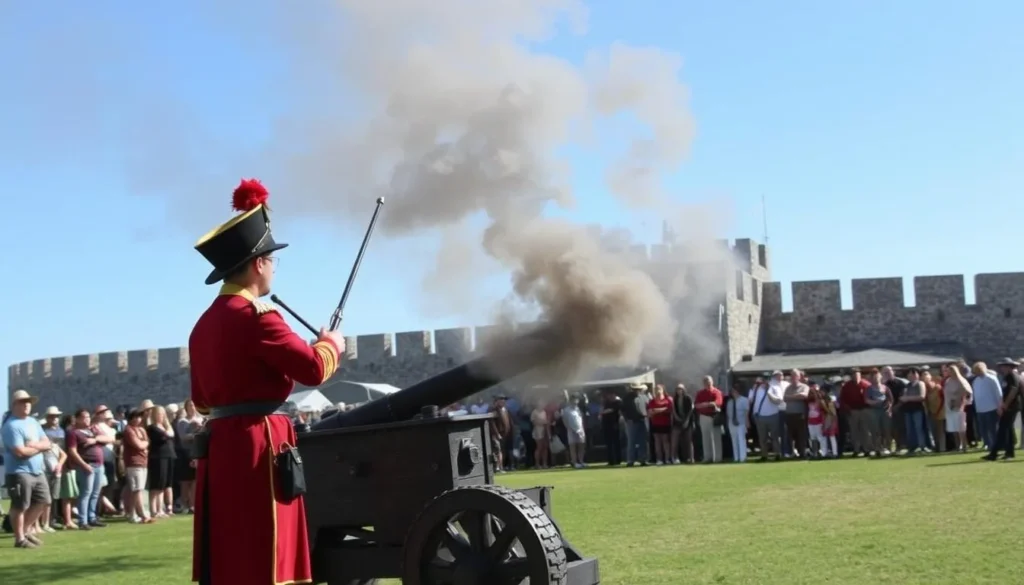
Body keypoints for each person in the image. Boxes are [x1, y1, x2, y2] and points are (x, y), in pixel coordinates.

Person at [188, 179, 345, 585]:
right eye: (273, 260)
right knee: (266, 556)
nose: (274, 267)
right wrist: (332, 344)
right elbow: (313, 369)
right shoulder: (258, 317)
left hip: (220, 447)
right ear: (258, 263)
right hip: (261, 444)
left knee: (229, 555)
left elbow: (202, 402)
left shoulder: (202, 326)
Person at [1, 390, 52, 548]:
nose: (27, 405)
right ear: (15, 404)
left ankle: (25, 531)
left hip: (37, 470)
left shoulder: (33, 422)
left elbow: (47, 443)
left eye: (29, 402)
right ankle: (19, 539)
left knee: (44, 501)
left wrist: (35, 446)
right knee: (20, 505)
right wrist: (40, 448)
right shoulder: (11, 426)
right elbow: (20, 452)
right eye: (23, 402)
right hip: (19, 472)